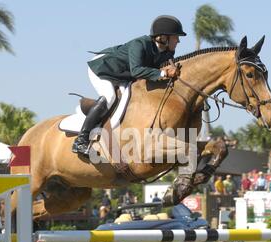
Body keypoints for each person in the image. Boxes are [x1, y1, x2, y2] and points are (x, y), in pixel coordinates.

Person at [72, 15, 187, 155]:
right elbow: (137, 70)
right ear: (163, 37)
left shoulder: (168, 51)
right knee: (109, 97)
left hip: (125, 75)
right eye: (175, 37)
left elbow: (157, 71)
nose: (178, 41)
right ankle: (81, 141)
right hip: (104, 68)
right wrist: (163, 74)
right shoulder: (139, 44)